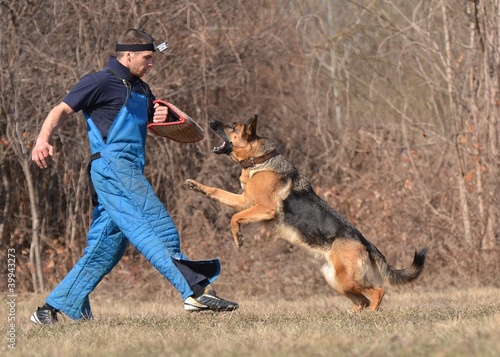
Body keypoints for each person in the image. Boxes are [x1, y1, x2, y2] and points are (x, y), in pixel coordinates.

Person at [30, 29, 238, 325]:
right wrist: (42, 139)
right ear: (128, 55)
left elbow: (153, 117)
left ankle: (49, 310)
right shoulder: (99, 82)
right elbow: (60, 109)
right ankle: (195, 291)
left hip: (128, 169)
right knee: (156, 226)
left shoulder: (141, 88)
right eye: (147, 58)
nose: (151, 63)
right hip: (113, 168)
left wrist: (161, 116)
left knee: (108, 245)